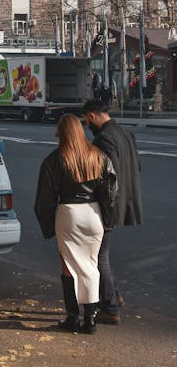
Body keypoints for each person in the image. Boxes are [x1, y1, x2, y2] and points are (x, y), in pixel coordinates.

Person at [34, 114, 117, 334]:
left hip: (68, 214)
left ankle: (72, 317)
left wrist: (48, 225)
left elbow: (45, 198)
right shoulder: (98, 156)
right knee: (91, 265)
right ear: (80, 131)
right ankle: (90, 319)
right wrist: (108, 219)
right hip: (94, 214)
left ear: (60, 132)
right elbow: (110, 192)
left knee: (68, 268)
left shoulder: (54, 159)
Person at [82, 99, 143, 325]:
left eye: (87, 120)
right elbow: (137, 166)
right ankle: (114, 296)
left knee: (99, 256)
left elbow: (106, 178)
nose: (87, 125)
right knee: (101, 254)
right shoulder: (125, 133)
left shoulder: (103, 139)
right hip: (125, 200)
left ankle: (109, 307)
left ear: (94, 115)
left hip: (109, 205)